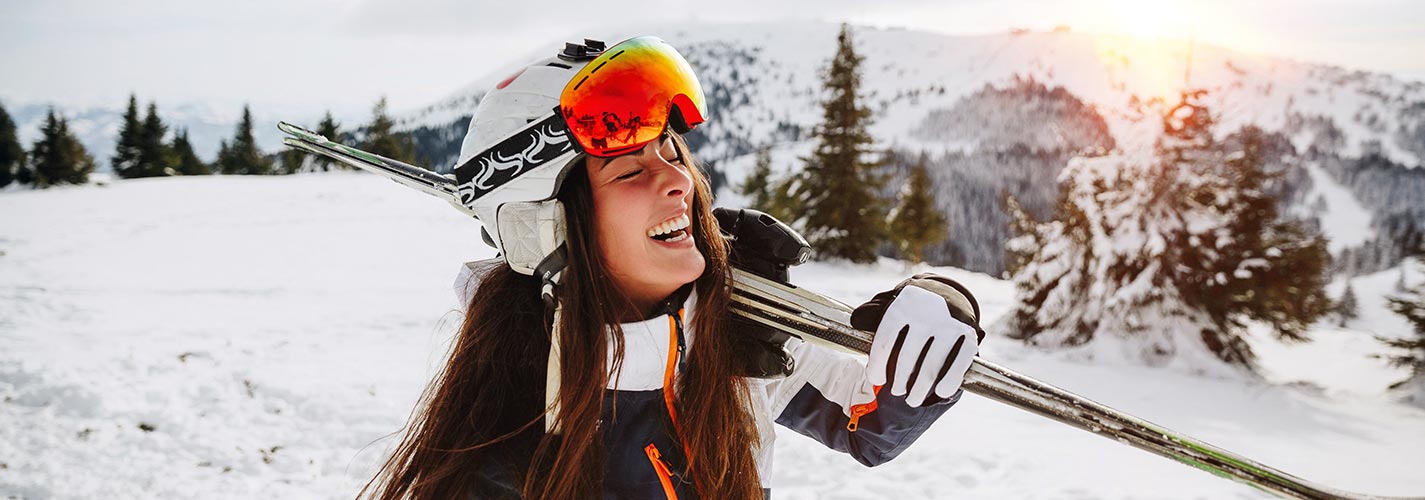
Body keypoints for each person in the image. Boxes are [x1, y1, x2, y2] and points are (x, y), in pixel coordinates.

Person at [359, 36, 986, 500]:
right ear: (549, 229)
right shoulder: (502, 448)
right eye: (629, 170)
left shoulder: (732, 337)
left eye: (670, 152)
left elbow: (868, 427)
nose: (677, 181)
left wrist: (941, 313)